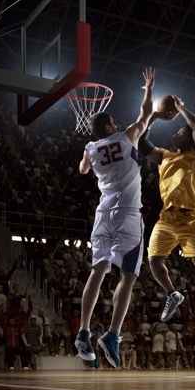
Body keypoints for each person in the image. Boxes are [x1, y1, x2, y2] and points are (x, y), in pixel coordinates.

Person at [74, 67, 157, 369]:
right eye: (112, 120)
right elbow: (146, 114)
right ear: (110, 125)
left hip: (102, 214)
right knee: (129, 276)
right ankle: (112, 335)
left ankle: (83, 331)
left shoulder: (91, 148)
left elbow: (83, 170)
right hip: (127, 215)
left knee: (98, 271)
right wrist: (148, 88)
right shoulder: (126, 137)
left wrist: (89, 149)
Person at [141, 96, 195, 323]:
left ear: (190, 139)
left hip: (190, 219)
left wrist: (180, 107)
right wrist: (154, 116)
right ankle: (172, 294)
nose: (175, 133)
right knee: (154, 261)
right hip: (166, 218)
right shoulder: (165, 156)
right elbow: (142, 143)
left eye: (180, 132)